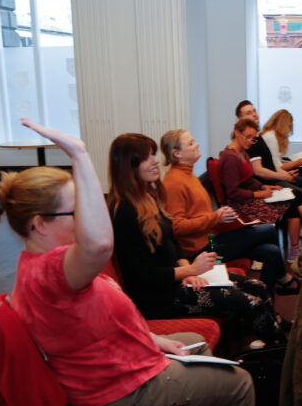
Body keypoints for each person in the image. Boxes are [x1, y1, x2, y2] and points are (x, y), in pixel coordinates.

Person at [0, 119, 272, 406]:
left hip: (115, 375)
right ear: (39, 224)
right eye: (77, 211)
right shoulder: (52, 272)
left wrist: (153, 340)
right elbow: (101, 244)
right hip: (115, 400)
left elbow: (97, 324)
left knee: (192, 340)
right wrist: (80, 154)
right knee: (239, 384)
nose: (85, 220)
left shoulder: (45, 266)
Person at [106, 132, 286, 349]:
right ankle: (276, 350)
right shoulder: (124, 210)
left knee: (258, 286)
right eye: (147, 157)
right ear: (128, 166)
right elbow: (143, 274)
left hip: (176, 279)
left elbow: (172, 242)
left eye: (154, 154)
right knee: (250, 301)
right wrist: (189, 271)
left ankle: (270, 339)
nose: (155, 161)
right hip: (158, 297)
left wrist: (187, 270)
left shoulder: (149, 195)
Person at [159, 128, 299, 295]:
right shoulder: (174, 182)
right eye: (190, 143)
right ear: (177, 153)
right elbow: (176, 227)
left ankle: (268, 298)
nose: (197, 144)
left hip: (210, 238)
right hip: (202, 249)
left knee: (272, 252)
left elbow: (198, 215)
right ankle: (283, 279)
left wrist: (218, 216)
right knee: (268, 230)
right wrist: (215, 217)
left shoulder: (188, 174)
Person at [220, 117, 302, 262]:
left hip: (251, 196)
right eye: (247, 137)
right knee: (296, 197)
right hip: (243, 204)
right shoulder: (230, 157)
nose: (250, 141)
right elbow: (233, 193)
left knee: (294, 197)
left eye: (253, 138)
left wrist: (264, 186)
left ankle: (300, 245)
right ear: (237, 132)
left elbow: (248, 179)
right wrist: (259, 193)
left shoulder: (242, 152)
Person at [259, 108, 302, 203]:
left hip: (275, 170)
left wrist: (294, 162)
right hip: (273, 174)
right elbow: (278, 167)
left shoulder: (270, 135)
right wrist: (297, 163)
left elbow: (276, 161)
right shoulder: (271, 138)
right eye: (289, 127)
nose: (289, 131)